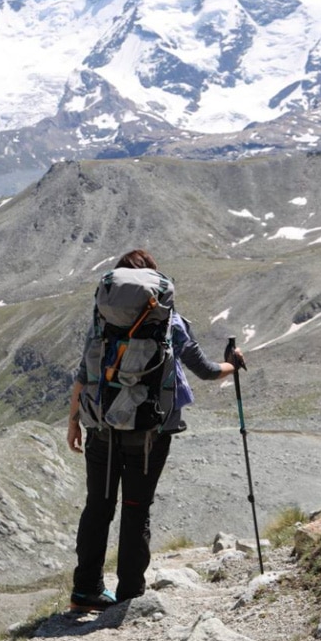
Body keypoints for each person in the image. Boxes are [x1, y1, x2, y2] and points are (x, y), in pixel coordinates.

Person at [66, 248, 245, 610]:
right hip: (148, 433)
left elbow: (85, 374)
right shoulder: (168, 321)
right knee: (135, 507)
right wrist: (232, 365)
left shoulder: (102, 319)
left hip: (100, 427)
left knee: (97, 507)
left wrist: (73, 422)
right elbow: (206, 370)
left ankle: (85, 591)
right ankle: (130, 593)